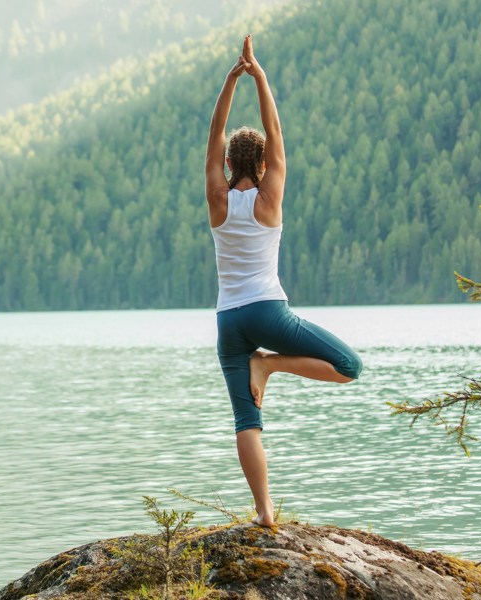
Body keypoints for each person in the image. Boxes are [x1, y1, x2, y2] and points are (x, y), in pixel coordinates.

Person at [205, 35, 363, 527]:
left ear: (230, 165)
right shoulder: (269, 196)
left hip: (229, 321)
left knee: (245, 421)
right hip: (268, 312)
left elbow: (215, 135)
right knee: (348, 365)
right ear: (266, 164)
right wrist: (261, 77)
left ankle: (265, 512)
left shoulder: (217, 198)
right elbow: (274, 130)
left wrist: (231, 80)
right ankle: (269, 366)